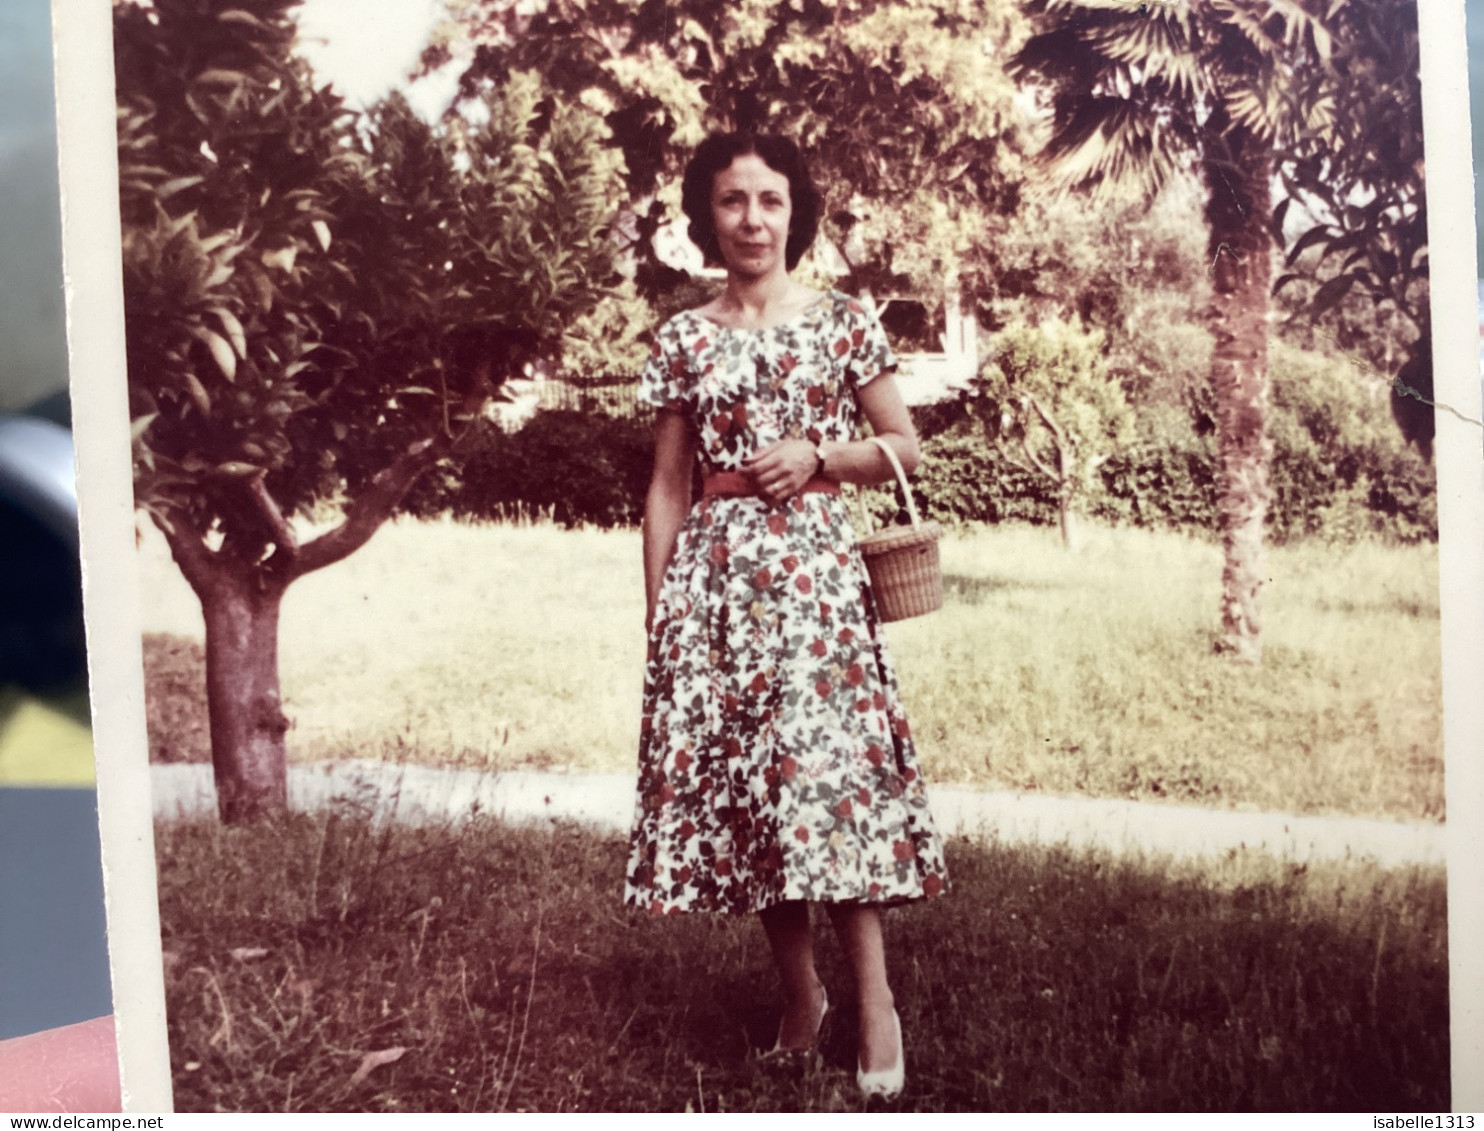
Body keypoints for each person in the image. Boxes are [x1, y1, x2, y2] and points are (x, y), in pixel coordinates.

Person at [623, 132, 948, 1101]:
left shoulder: (842, 322)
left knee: (828, 782)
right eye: (731, 201)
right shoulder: (683, 337)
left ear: (793, 214)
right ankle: (800, 998)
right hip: (717, 591)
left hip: (812, 583)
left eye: (769, 200)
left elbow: (904, 444)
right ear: (705, 217)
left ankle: (875, 1001)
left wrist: (817, 455)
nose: (751, 219)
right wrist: (660, 621)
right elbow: (665, 489)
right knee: (756, 794)